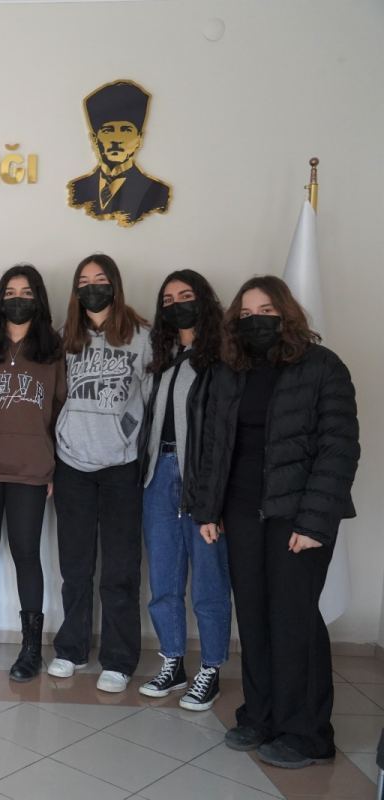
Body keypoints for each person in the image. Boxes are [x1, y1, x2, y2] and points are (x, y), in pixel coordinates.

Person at [193, 276, 358, 769]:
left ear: (287, 313)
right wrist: (208, 509)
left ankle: (306, 733)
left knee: (293, 620)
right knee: (254, 616)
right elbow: (214, 445)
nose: (255, 320)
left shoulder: (323, 367)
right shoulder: (229, 371)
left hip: (298, 516)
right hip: (241, 513)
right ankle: (260, 715)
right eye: (245, 314)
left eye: (265, 310)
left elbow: (338, 449)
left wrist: (314, 522)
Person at [49, 254, 151, 693]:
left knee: (120, 569)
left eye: (101, 279)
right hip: (72, 464)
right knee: (75, 566)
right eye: (84, 281)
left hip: (121, 468)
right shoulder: (65, 337)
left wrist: (129, 436)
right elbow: (56, 397)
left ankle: (119, 658)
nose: (93, 288)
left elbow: (152, 398)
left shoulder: (142, 336)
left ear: (115, 285)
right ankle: (71, 649)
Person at [137, 270, 231, 711]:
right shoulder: (165, 356)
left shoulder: (222, 358)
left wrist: (216, 495)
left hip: (200, 478)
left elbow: (224, 434)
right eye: (168, 300)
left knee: (208, 580)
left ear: (204, 301)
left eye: (186, 296)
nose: (177, 305)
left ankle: (211, 667)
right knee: (163, 577)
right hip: (158, 474)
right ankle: (172, 661)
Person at [0, 264, 64, 682]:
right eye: (10, 292)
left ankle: (30, 648)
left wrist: (55, 467)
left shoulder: (53, 349)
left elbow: (61, 412)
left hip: (31, 470)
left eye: (26, 292)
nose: (17, 299)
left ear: (38, 299)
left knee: (27, 554)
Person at [68, 79, 171, 227]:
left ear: (139, 139)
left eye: (126, 130)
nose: (116, 140)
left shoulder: (157, 194)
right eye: (108, 131)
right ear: (94, 140)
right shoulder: (77, 190)